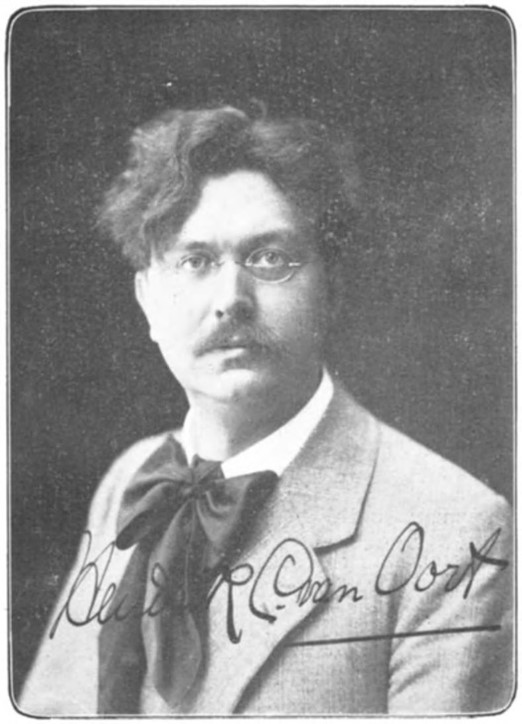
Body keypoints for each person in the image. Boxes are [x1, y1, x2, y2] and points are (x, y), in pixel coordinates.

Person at [19, 104, 513, 716]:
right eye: (194, 261)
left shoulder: (454, 529)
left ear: (330, 289)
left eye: (270, 258)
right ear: (148, 300)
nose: (231, 299)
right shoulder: (131, 480)